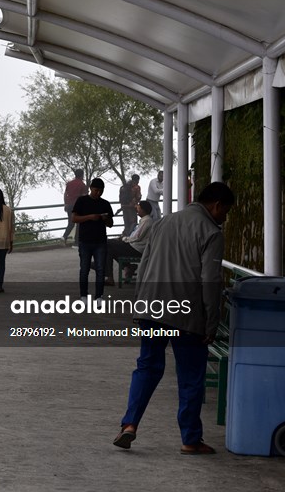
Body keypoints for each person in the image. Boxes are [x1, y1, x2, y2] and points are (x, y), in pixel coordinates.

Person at [113, 182, 235, 456]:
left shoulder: (163, 223)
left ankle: (129, 425)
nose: (224, 217)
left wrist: (139, 306)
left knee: (147, 366)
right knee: (191, 375)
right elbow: (210, 281)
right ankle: (190, 439)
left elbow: (143, 265)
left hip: (152, 309)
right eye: (225, 211)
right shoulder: (211, 233)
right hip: (186, 315)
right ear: (216, 205)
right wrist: (211, 322)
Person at [72, 178, 114, 299]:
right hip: (85, 241)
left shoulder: (105, 204)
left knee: (101, 269)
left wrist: (105, 218)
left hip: (100, 241)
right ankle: (83, 295)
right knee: (84, 269)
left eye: (101, 191)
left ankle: (99, 296)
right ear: (91, 188)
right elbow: (74, 218)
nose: (98, 193)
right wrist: (90, 217)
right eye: (96, 190)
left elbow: (111, 224)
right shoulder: (82, 201)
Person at [105, 200, 154, 283]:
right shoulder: (145, 221)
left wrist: (124, 239)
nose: (137, 210)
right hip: (134, 246)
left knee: (107, 243)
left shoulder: (147, 221)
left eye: (138, 208)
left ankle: (118, 270)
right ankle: (124, 269)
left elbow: (136, 237)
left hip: (136, 249)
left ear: (143, 210)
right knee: (109, 249)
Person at [62, 168, 88, 246]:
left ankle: (64, 237)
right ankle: (76, 242)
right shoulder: (82, 185)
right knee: (79, 223)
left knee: (71, 223)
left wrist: (65, 204)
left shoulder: (69, 183)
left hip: (69, 205)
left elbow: (65, 194)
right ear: (82, 175)